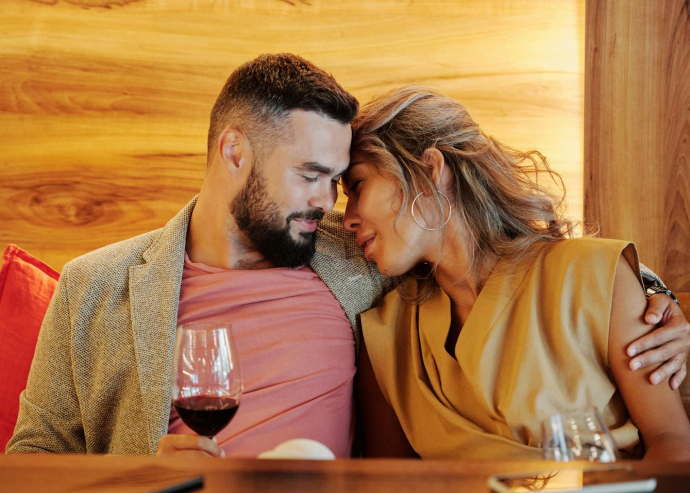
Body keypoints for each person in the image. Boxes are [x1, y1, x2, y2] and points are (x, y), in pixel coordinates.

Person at [5, 56, 687, 459]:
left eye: (341, 181)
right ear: (234, 151)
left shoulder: (357, 264)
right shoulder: (95, 286)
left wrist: (662, 306)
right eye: (311, 175)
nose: (330, 205)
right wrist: (141, 477)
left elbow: (527, 270)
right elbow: (29, 463)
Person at [342, 86, 690, 460]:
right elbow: (388, 489)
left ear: (430, 170)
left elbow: (672, 441)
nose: (346, 219)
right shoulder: (385, 336)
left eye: (358, 186)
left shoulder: (593, 275)